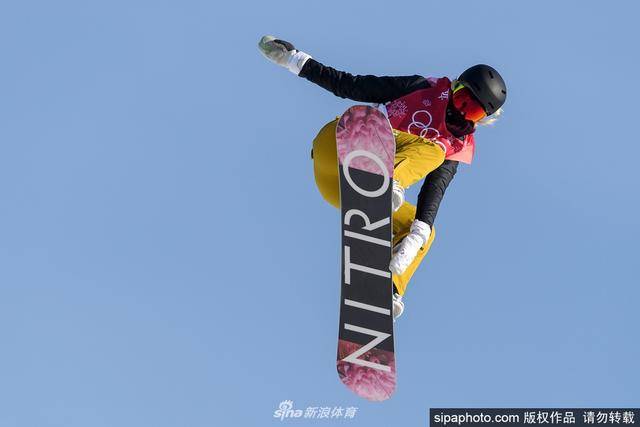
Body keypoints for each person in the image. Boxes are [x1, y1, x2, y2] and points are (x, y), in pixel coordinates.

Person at [258, 35, 507, 320]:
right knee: (432, 149)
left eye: (472, 110)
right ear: (453, 88)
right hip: (340, 145)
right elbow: (351, 85)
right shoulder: (421, 88)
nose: (461, 111)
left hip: (337, 188)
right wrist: (295, 61)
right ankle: (386, 185)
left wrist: (418, 234)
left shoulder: (456, 146)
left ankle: (387, 288)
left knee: (424, 227)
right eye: (462, 99)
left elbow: (434, 190)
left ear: (482, 119)